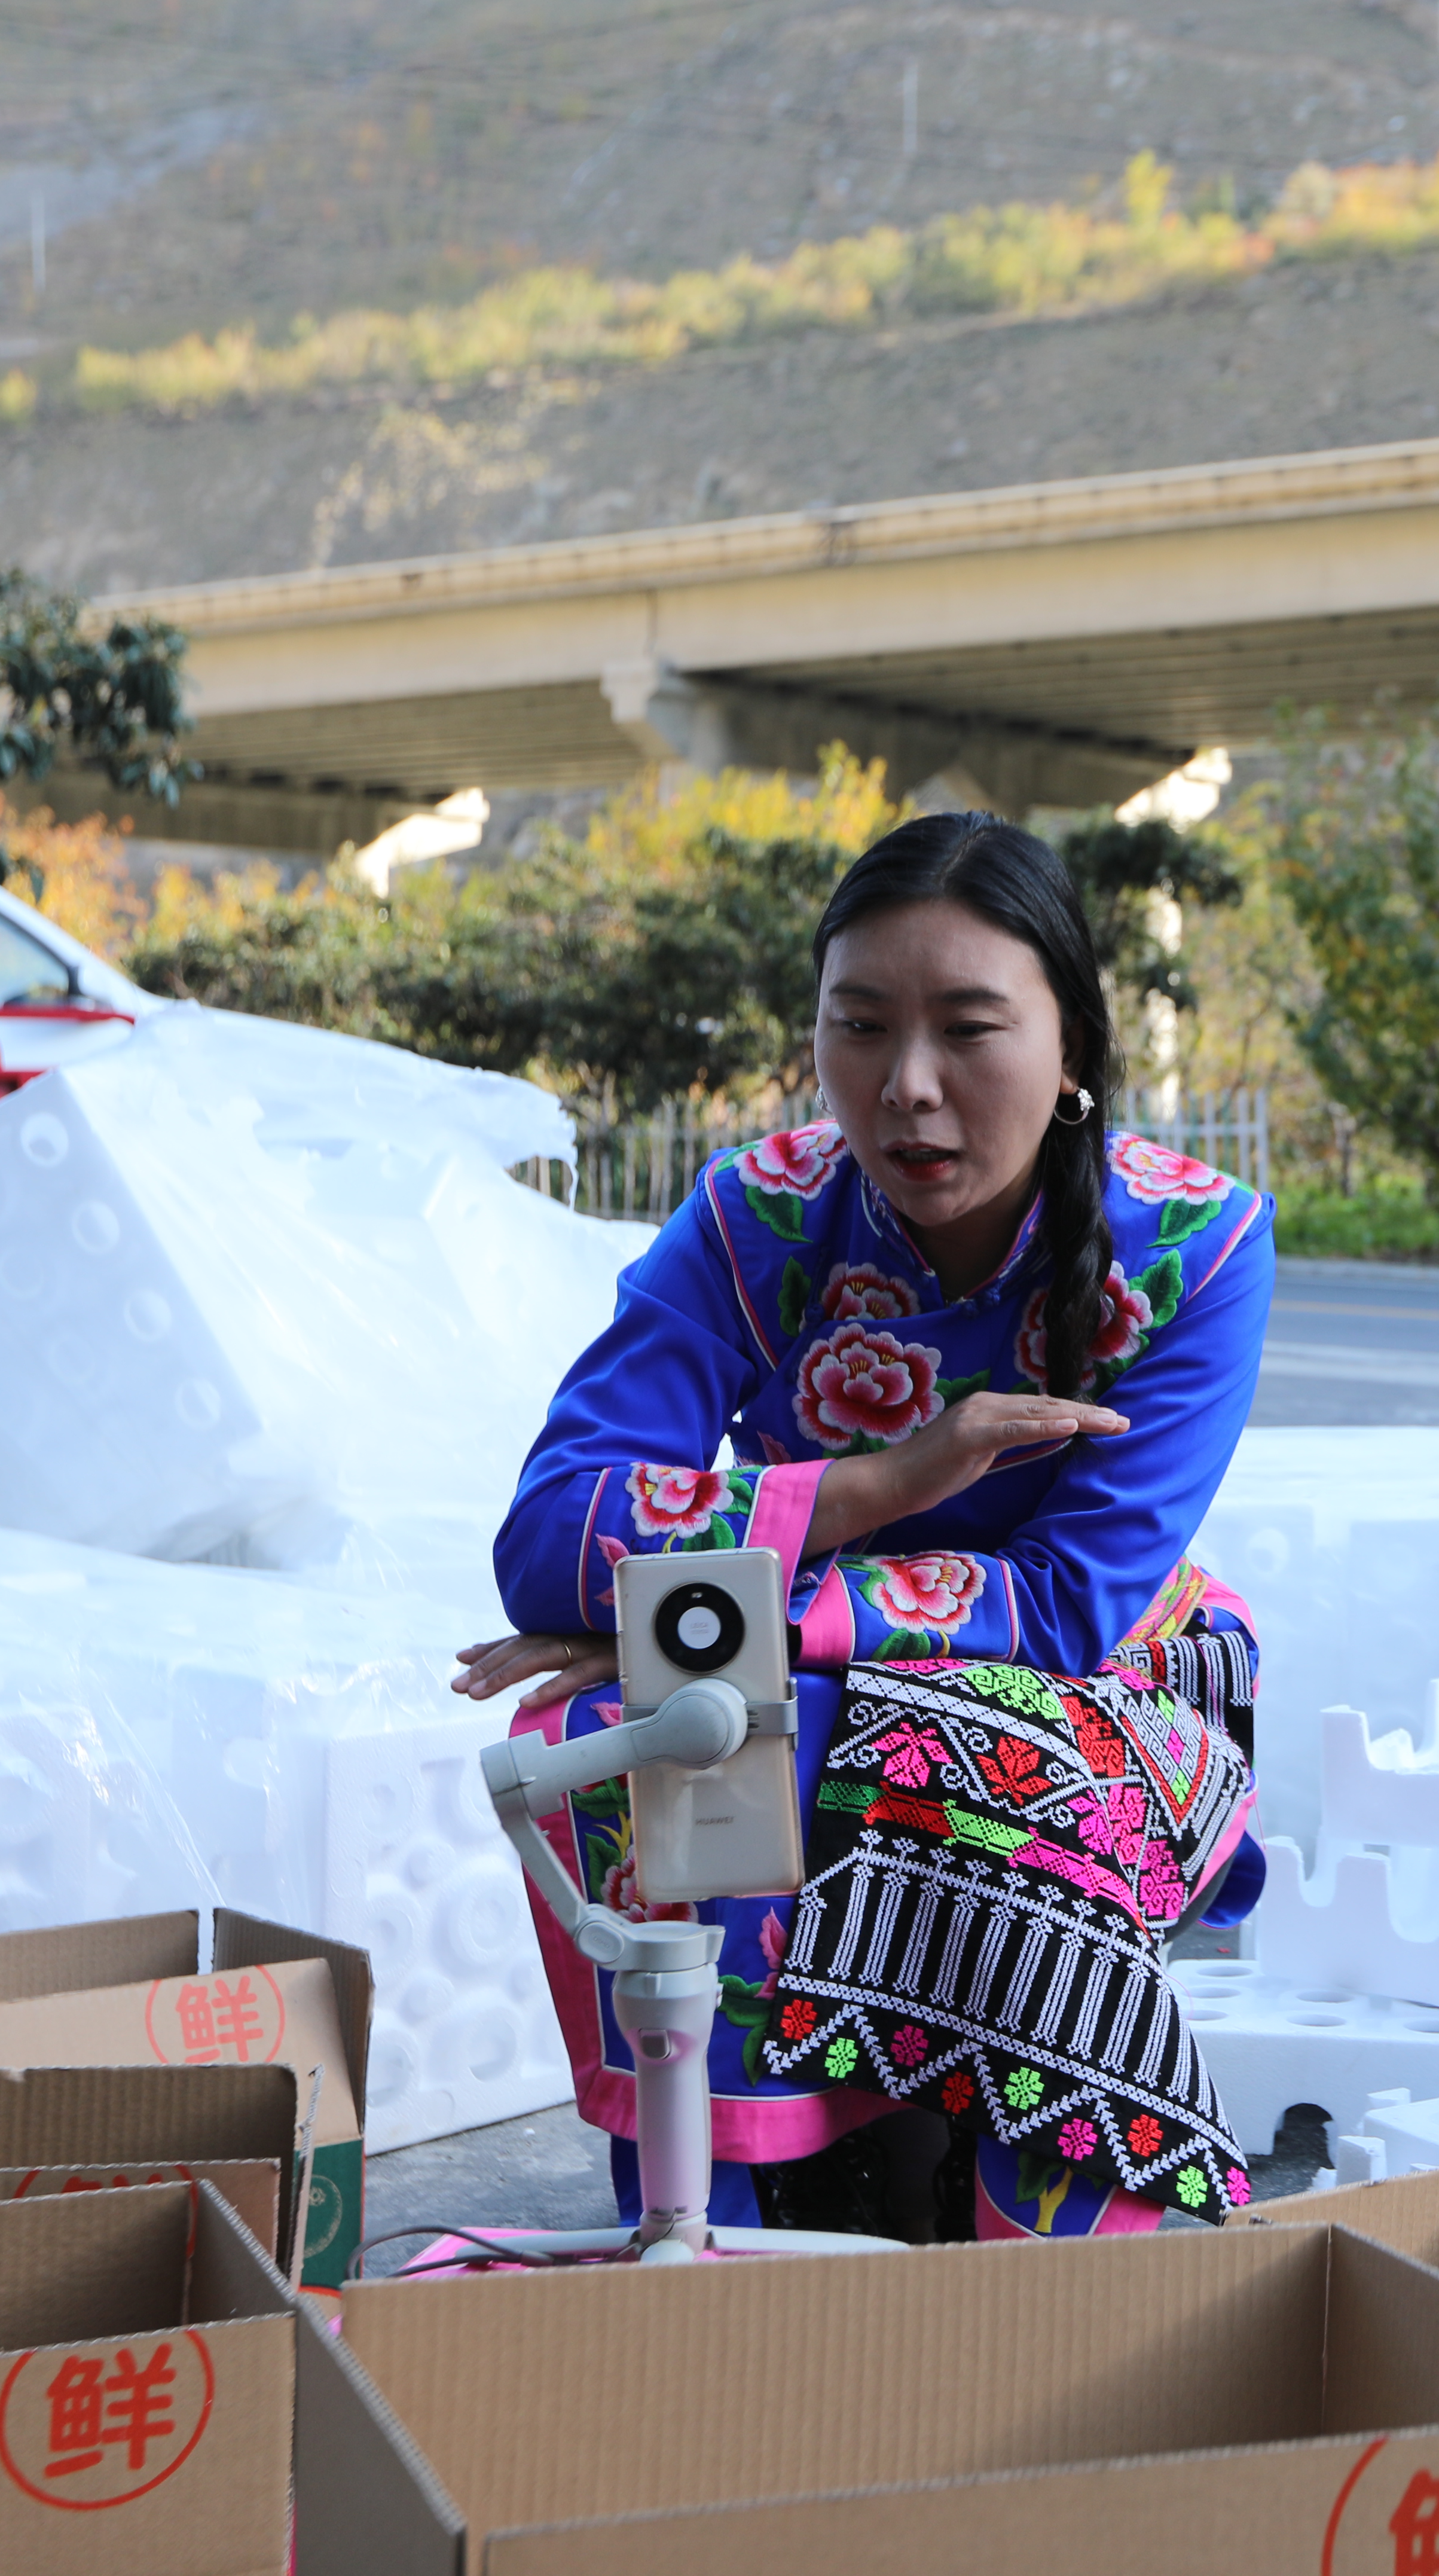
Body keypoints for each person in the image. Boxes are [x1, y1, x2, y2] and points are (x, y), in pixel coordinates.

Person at [454, 810, 1275, 2239]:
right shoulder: (754, 1221)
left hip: (1107, 1677)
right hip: (796, 1652)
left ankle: (1044, 2292)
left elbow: (1071, 1598)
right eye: (861, 1027)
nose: (907, 1089)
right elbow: (549, 1532)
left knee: (898, 1752)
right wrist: (888, 1482)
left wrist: (725, 1611)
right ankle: (712, 2221)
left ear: (1072, 1049)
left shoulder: (1197, 1251)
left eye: (969, 1029)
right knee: (623, 1748)